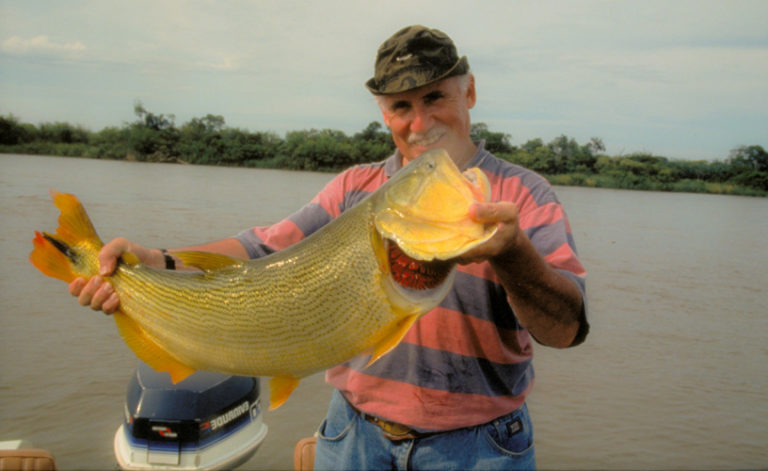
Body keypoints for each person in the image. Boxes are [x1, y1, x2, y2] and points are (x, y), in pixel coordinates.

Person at [71, 25, 588, 471]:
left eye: (436, 98)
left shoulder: (526, 195)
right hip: (351, 436)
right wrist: (154, 261)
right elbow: (261, 248)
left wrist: (513, 252)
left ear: (469, 92)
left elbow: (566, 330)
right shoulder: (352, 190)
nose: (420, 122)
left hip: (482, 447)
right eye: (401, 106)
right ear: (384, 114)